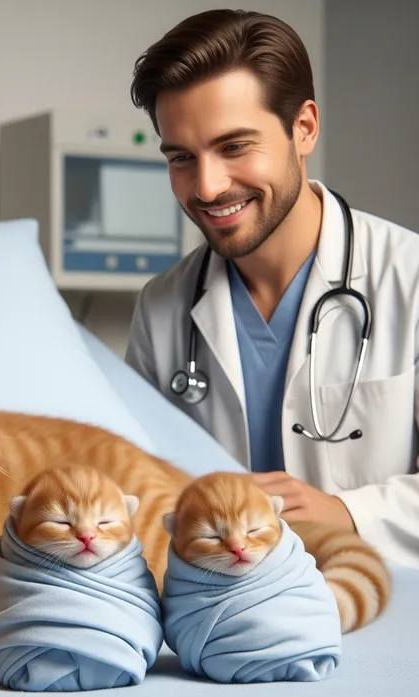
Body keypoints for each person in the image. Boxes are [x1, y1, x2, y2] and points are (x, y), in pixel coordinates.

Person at [124, 8, 419, 569]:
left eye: (234, 147)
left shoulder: (409, 278)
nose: (207, 186)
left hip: (382, 599)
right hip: (220, 604)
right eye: (182, 157)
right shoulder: (162, 306)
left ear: (303, 128)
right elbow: (142, 487)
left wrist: (350, 514)